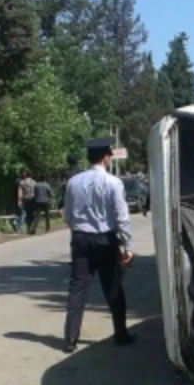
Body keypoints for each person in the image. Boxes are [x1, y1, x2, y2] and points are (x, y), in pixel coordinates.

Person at [62, 138, 136, 352]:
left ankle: (70, 339)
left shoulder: (73, 182)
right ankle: (120, 334)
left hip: (80, 239)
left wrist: (79, 230)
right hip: (105, 240)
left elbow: (67, 216)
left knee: (77, 288)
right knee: (113, 287)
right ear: (106, 157)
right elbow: (122, 217)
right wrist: (127, 246)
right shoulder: (113, 182)